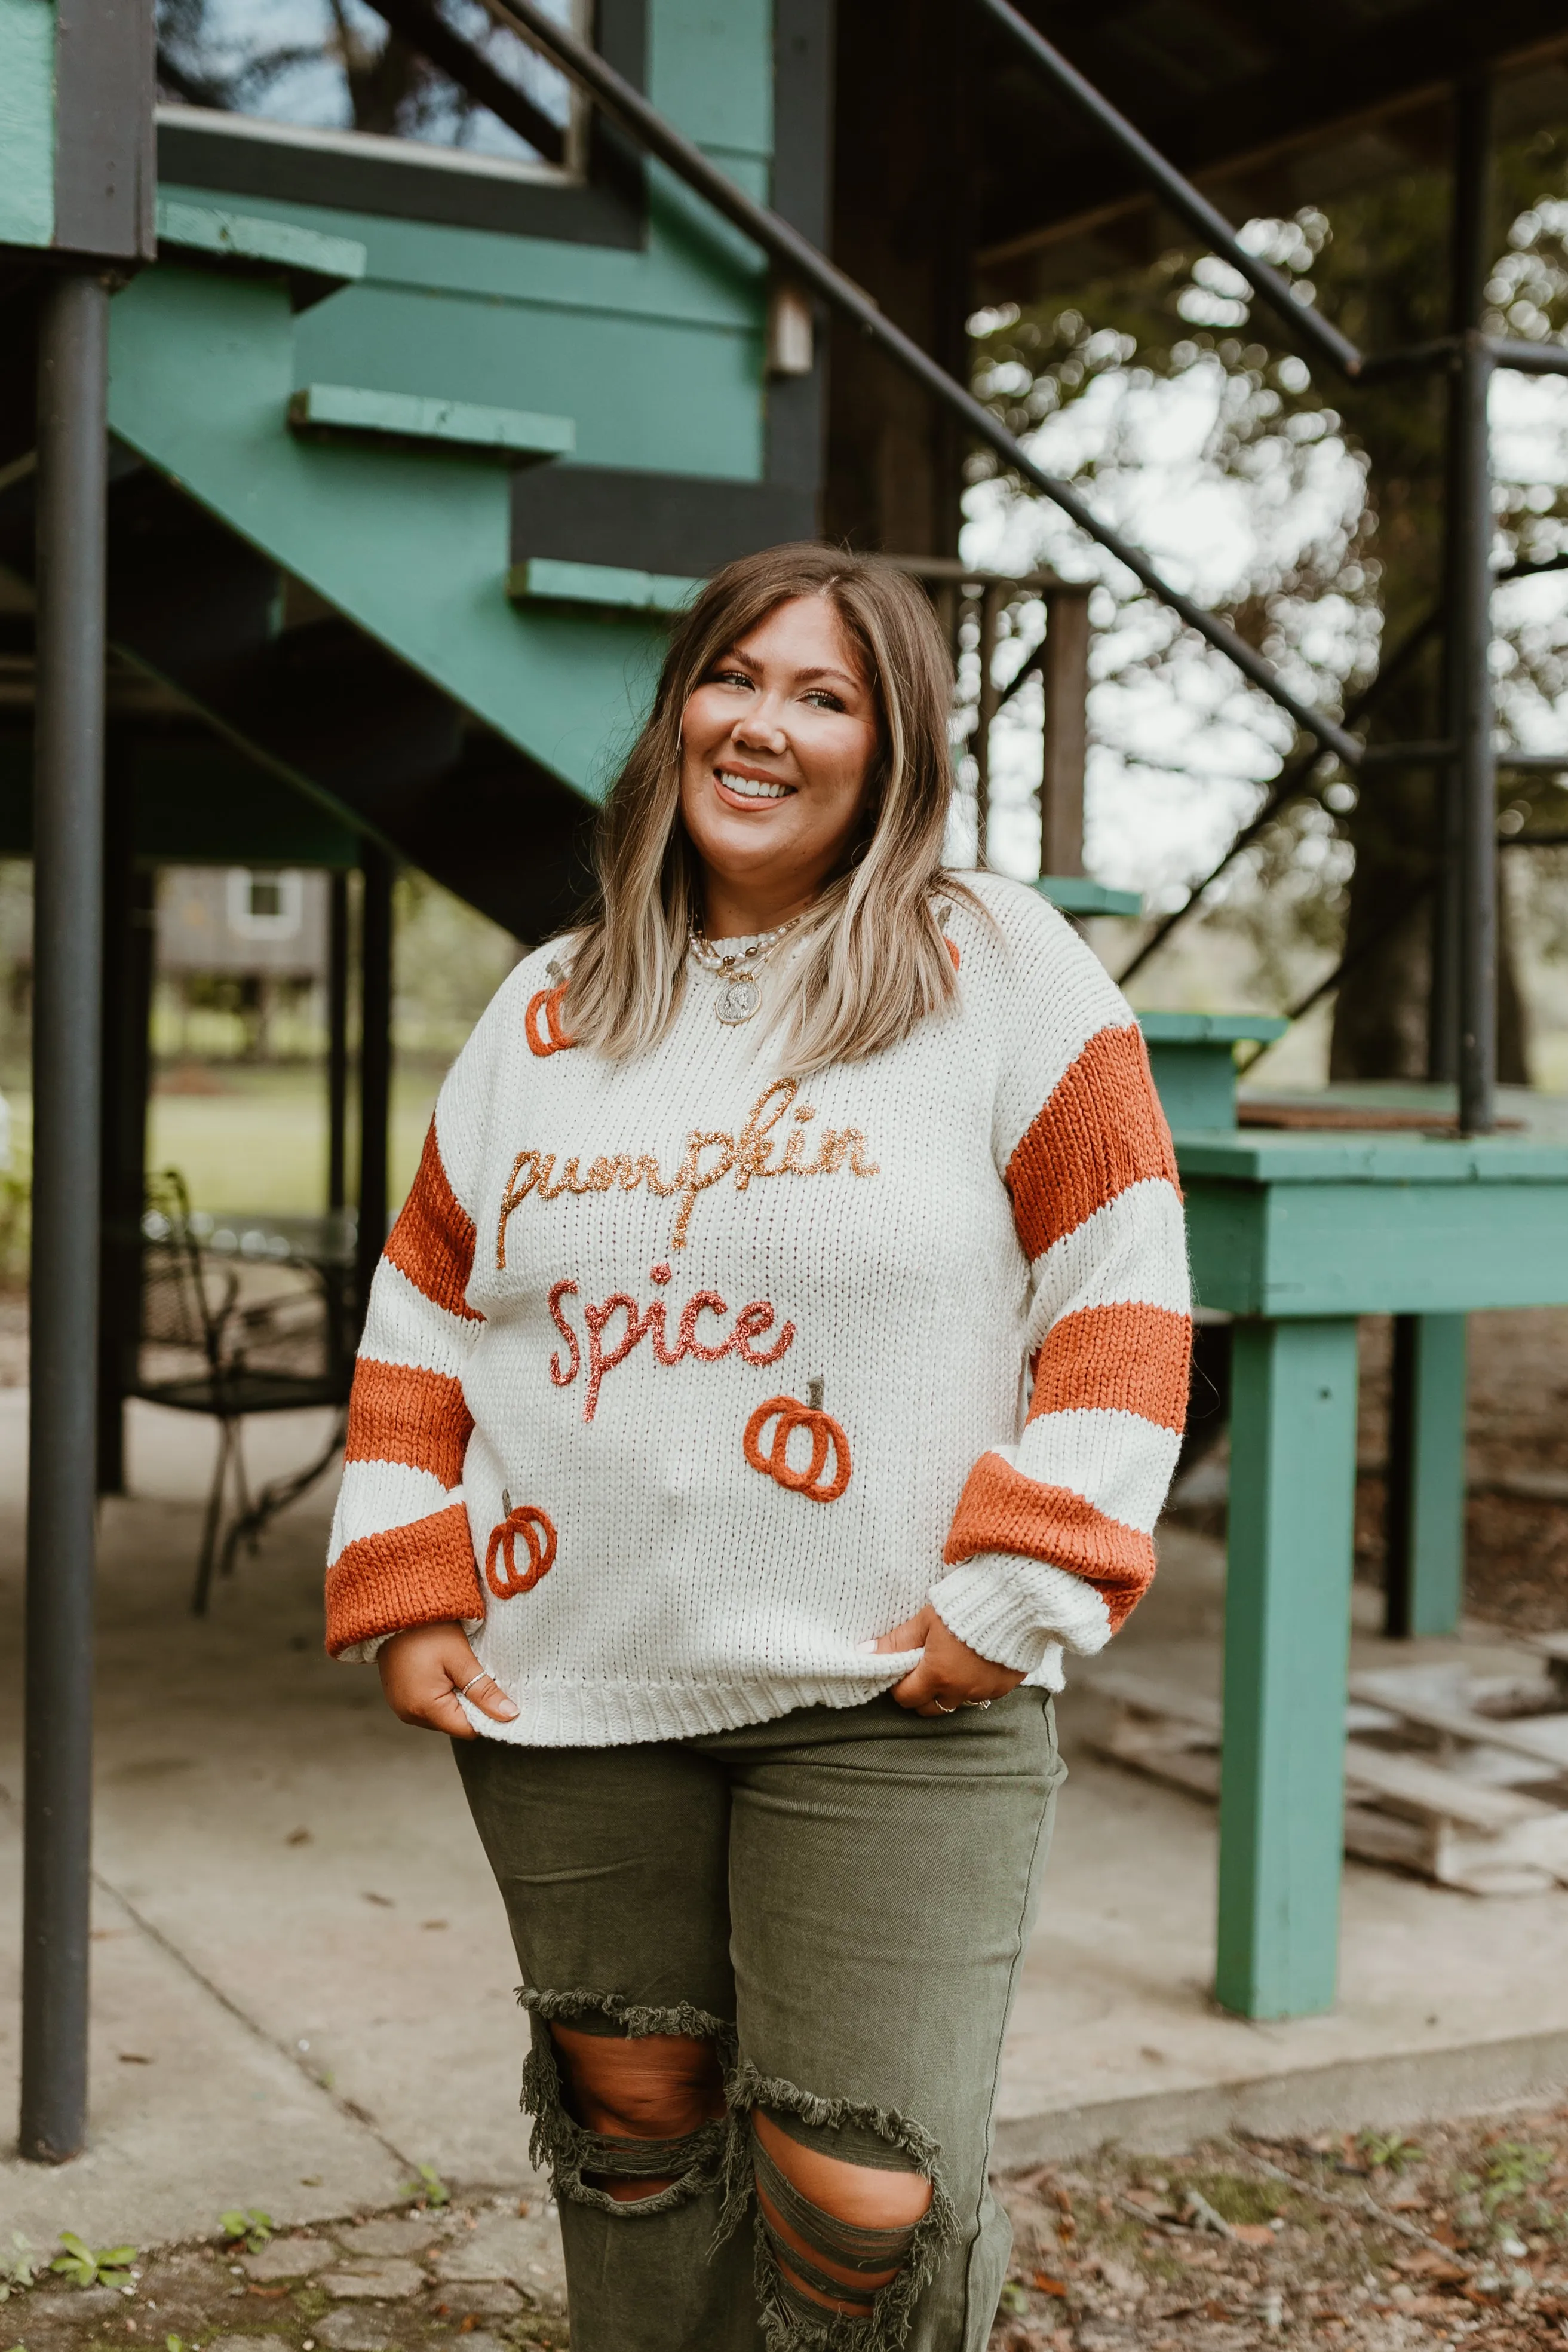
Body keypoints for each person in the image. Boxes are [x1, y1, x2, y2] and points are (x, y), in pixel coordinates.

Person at [325, 543, 1189, 2352]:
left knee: (860, 2191)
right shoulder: (554, 1005)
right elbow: (426, 1308)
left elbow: (1120, 1286)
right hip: (574, 1687)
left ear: (895, 749)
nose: (766, 726)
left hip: (891, 1701)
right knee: (634, 2127)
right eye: (736, 677)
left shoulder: (997, 964)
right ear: (678, 710)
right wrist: (413, 1579)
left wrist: (1024, 1585)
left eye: (827, 696)